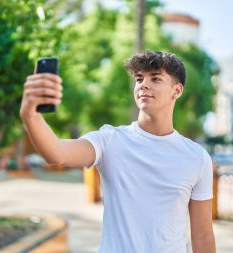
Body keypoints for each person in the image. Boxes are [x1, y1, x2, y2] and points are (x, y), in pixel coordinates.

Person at [20, 51, 216, 253]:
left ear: (176, 91)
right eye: (139, 79)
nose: (143, 84)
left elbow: (203, 235)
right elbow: (57, 153)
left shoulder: (196, 158)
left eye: (155, 78)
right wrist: (30, 115)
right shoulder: (110, 140)